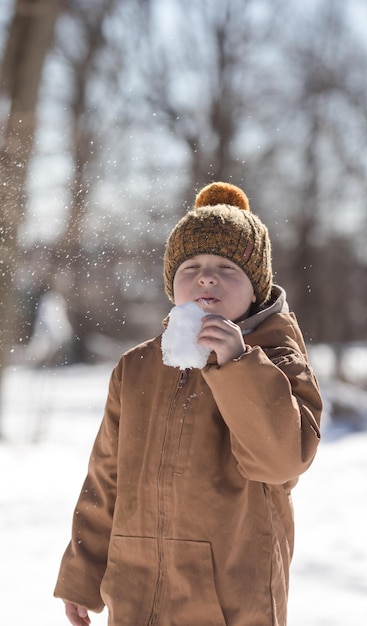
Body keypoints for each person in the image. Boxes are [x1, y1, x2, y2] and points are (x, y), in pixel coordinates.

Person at [54, 181, 322, 626]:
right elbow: (106, 475)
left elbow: (281, 462)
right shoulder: (137, 367)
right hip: (134, 590)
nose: (206, 276)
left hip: (229, 598)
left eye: (227, 267)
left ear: (256, 288)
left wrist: (237, 365)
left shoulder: (276, 360)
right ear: (171, 284)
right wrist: (83, 572)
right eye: (191, 265)